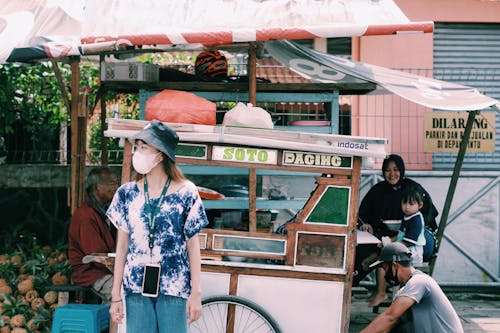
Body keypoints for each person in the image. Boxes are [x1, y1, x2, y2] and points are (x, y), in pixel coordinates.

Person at [107, 120, 208, 332]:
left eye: (144, 147)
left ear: (160, 155)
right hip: (136, 285)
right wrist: (116, 294)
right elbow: (122, 246)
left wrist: (196, 292)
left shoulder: (186, 193)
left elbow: (192, 245)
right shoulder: (126, 194)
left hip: (174, 285)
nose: (138, 152)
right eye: (137, 147)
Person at [354, 154, 439, 307]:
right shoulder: (378, 191)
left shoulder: (412, 188)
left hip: (419, 238)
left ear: (402, 170)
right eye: (387, 170)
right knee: (376, 246)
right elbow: (364, 215)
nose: (392, 174)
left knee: (388, 250)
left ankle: (387, 291)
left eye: (395, 169)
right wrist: (367, 224)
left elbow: (427, 214)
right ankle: (369, 280)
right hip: (396, 236)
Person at [360, 243, 464, 333]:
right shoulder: (403, 292)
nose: (385, 273)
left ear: (394, 266)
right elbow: (389, 326)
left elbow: (390, 316)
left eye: (385, 268)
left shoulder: (419, 281)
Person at [68, 167, 119, 303]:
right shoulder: (86, 216)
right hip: (91, 273)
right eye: (112, 183)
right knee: (123, 293)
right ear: (97, 187)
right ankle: (112, 323)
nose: (116, 187)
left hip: (105, 270)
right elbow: (96, 255)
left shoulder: (103, 210)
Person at [397, 185, 426, 265]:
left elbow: (409, 242)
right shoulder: (407, 216)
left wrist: (394, 246)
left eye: (411, 204)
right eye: (404, 203)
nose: (407, 207)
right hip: (405, 248)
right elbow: (401, 234)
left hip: (413, 251)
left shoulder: (416, 220)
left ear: (420, 205)